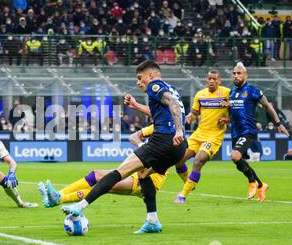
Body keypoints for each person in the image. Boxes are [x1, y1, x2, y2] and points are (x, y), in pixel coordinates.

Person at [61, 60, 187, 234]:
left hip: (163, 140)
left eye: (140, 78)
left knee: (117, 173)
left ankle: (80, 206)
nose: (138, 82)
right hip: (178, 147)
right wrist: (135, 106)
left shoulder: (154, 85)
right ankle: (152, 221)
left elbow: (172, 103)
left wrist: (179, 129)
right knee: (143, 174)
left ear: (150, 75)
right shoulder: (169, 88)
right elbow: (164, 110)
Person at [38, 126, 169, 207]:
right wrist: (143, 147)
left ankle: (59, 199)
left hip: (149, 178)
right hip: (136, 172)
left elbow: (161, 162)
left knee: (104, 185)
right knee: (95, 174)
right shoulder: (155, 127)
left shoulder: (168, 136)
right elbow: (133, 136)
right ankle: (57, 196)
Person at [226, 62, 289, 202]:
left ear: (245, 75)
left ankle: (252, 182)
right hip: (235, 132)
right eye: (234, 73)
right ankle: (261, 185)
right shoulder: (231, 93)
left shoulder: (253, 90)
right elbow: (235, 113)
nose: (236, 76)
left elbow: (268, 106)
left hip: (248, 131)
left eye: (239, 73)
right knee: (238, 162)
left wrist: (279, 123)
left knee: (235, 156)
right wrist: (226, 120)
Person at [171, 70, 231, 203]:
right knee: (178, 160)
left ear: (219, 81)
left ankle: (183, 195)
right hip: (198, 135)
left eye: (214, 79)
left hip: (213, 137)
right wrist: (189, 117)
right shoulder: (200, 95)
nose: (211, 81)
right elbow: (194, 113)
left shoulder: (227, 93)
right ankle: (189, 184)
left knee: (198, 161)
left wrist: (227, 120)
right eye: (209, 78)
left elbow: (236, 112)